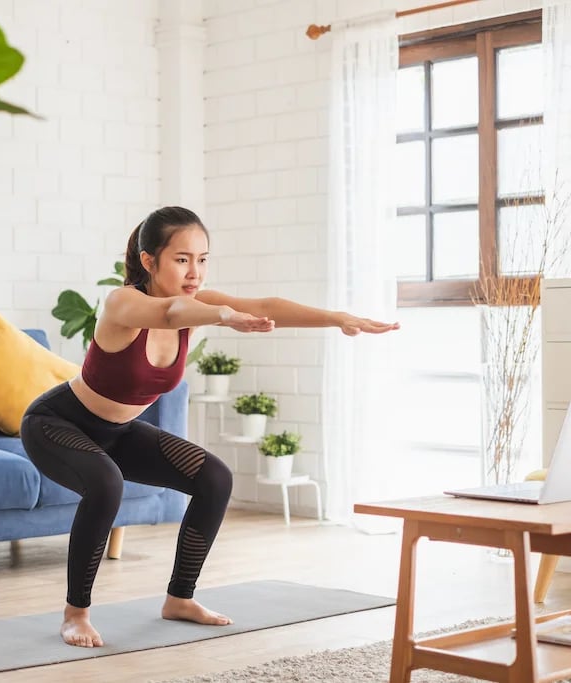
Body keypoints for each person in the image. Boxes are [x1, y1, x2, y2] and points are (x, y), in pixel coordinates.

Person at [20, 206, 399, 648]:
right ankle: (76, 613)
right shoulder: (122, 302)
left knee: (214, 477)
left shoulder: (199, 303)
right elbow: (169, 313)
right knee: (106, 484)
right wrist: (222, 315)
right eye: (182, 259)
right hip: (56, 422)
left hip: (118, 432)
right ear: (149, 261)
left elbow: (265, 306)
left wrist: (338, 318)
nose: (194, 271)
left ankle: (180, 598)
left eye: (202, 259)